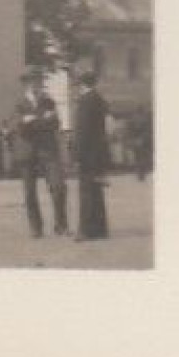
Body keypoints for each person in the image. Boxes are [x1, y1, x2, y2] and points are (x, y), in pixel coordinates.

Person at [12, 69, 69, 237]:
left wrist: (33, 121)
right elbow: (19, 128)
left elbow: (55, 124)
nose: (35, 84)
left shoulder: (49, 102)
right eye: (31, 81)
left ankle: (61, 224)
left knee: (59, 187)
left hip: (48, 150)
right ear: (26, 84)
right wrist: (39, 120)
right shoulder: (19, 104)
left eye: (37, 80)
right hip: (27, 152)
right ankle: (36, 228)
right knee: (30, 192)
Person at [72, 71, 110, 240]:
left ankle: (86, 230)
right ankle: (100, 229)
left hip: (87, 154)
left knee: (86, 192)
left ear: (81, 85)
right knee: (96, 191)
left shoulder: (84, 102)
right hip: (99, 153)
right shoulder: (100, 100)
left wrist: (77, 156)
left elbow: (82, 131)